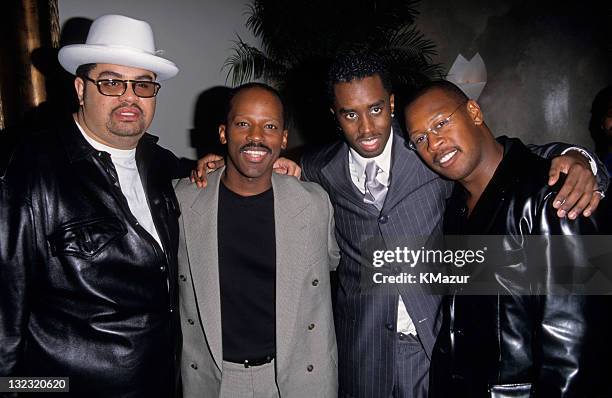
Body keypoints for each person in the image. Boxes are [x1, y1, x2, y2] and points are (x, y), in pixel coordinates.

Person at [299, 53, 608, 398]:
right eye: (350, 114)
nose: (367, 127)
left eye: (374, 109)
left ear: (389, 103)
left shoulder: (429, 151)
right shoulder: (320, 167)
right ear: (335, 116)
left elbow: (580, 337)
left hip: (436, 359)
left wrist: (584, 161)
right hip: (370, 359)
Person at [0, 14, 183, 397]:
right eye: (112, 82)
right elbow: (4, 329)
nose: (129, 96)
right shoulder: (28, 172)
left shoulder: (162, 165)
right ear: (81, 88)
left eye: (143, 84)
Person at [403, 80, 603, 397]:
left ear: (474, 111)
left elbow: (576, 348)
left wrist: (580, 157)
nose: (434, 144)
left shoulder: (554, 196)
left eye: (440, 123)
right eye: (420, 139)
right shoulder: (453, 206)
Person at [175, 83, 340, 397]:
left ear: (283, 139)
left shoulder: (315, 203)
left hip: (298, 379)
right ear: (224, 133)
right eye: (243, 124)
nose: (256, 136)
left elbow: (337, 264)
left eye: (270, 126)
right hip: (214, 381)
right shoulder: (182, 201)